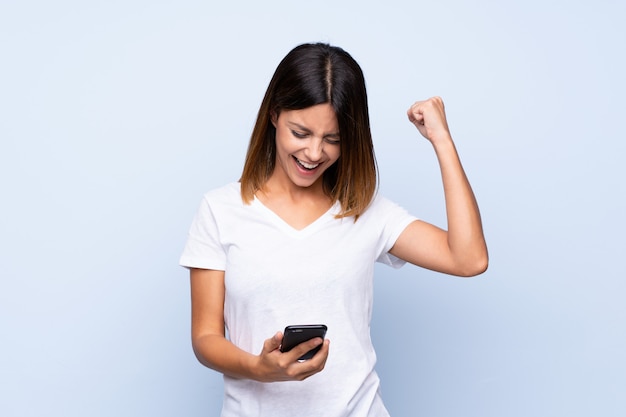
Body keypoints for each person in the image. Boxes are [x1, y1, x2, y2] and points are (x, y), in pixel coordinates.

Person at [179, 42, 488, 417]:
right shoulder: (220, 210)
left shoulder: (367, 212)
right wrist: (260, 369)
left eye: (333, 139)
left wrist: (442, 141)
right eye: (301, 132)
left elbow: (469, 259)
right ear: (274, 114)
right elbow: (205, 338)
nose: (313, 153)